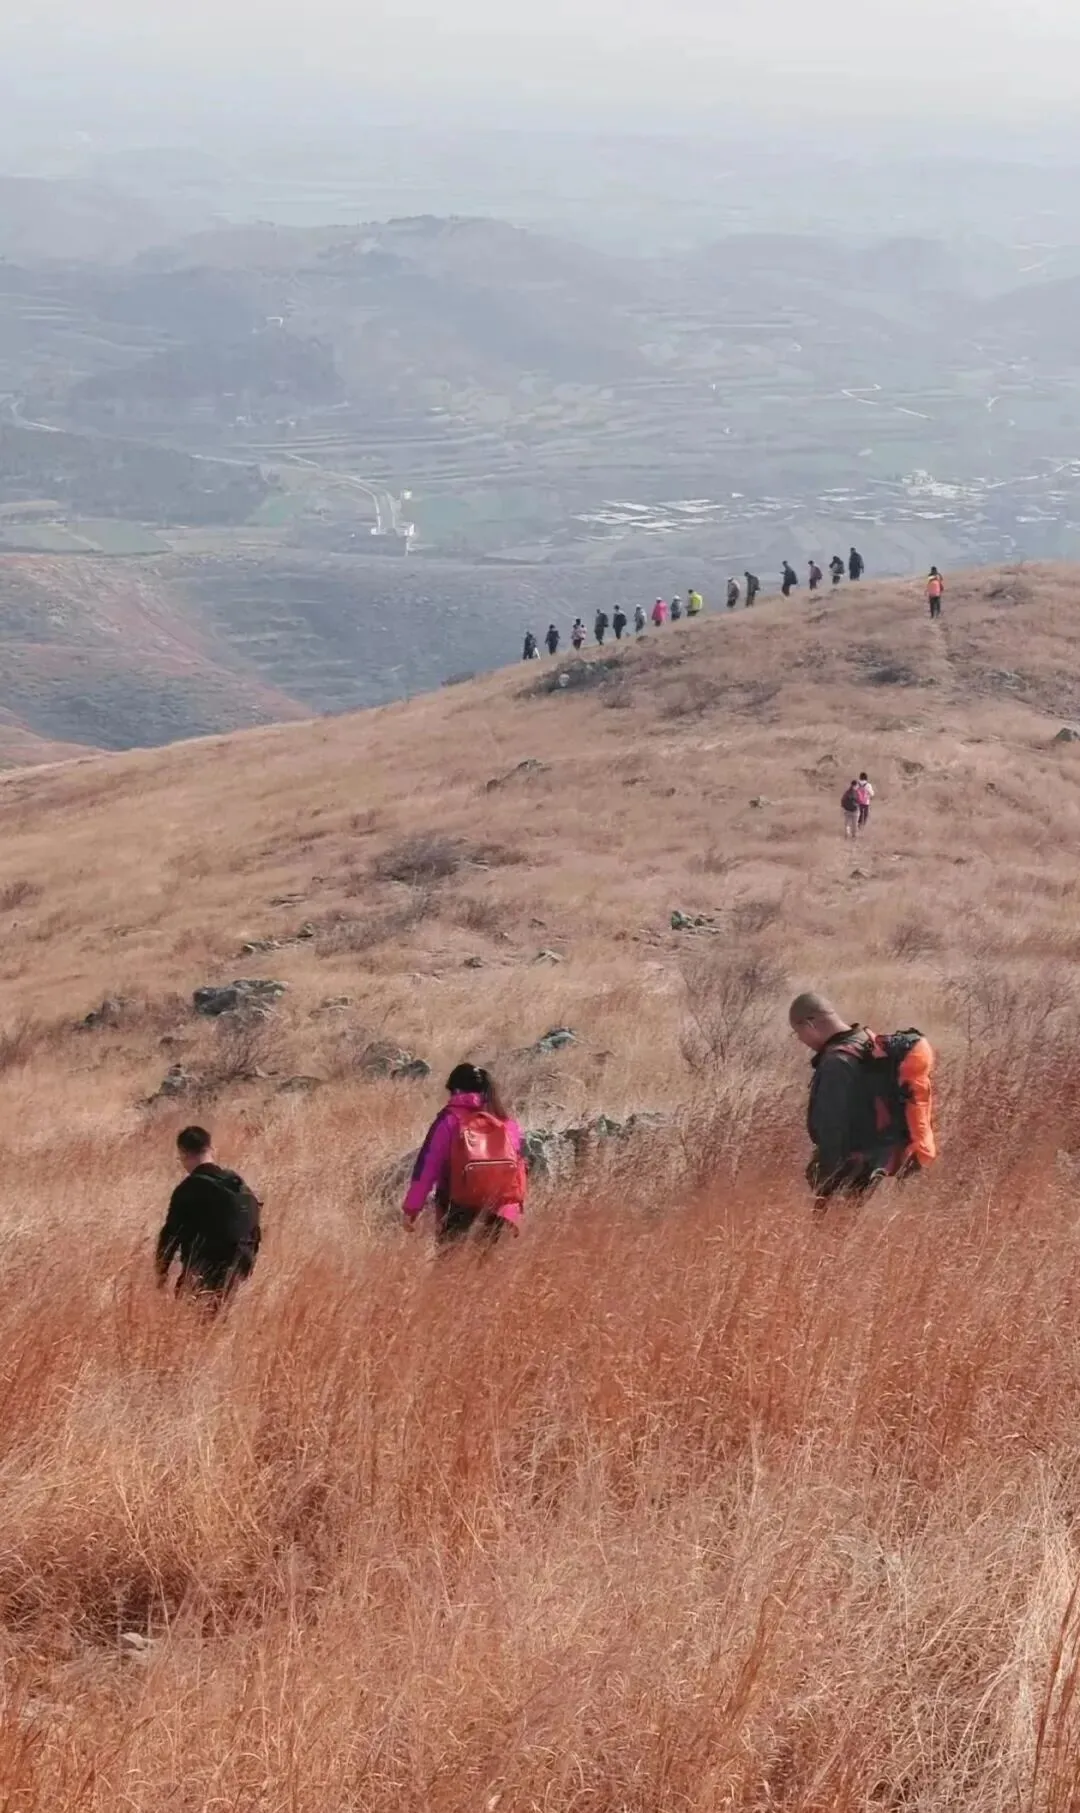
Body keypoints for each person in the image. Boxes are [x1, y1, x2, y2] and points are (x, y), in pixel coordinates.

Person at [788, 994, 937, 1209]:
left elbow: (832, 1129)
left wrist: (824, 1186)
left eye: (798, 1032)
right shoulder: (865, 1040)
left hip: (852, 1171)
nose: (801, 1039)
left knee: (835, 1227)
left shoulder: (836, 1063)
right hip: (880, 1162)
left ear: (810, 1025)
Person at [403, 1064, 525, 1247]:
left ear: (456, 1090)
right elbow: (517, 1169)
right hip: (498, 1207)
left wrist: (412, 1207)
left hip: (456, 1203)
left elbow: (427, 1166)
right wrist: (513, 1210)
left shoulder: (448, 1120)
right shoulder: (506, 1123)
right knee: (487, 1260)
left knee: (450, 1261)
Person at [156, 1126, 261, 1307]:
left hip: (202, 1275)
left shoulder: (188, 1189)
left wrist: (161, 1275)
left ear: (183, 1154)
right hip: (237, 1272)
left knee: (190, 1317)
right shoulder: (238, 1186)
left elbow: (170, 1237)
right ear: (211, 1150)